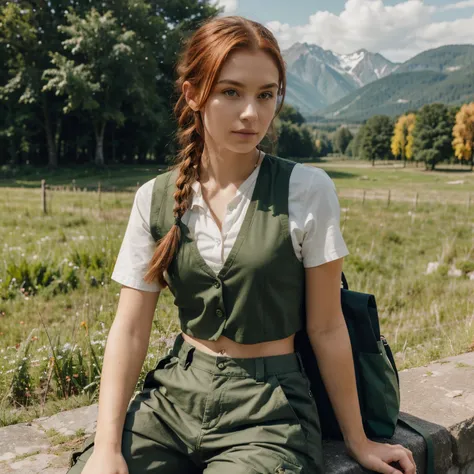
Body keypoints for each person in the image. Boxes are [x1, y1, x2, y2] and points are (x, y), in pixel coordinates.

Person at [68, 15, 416, 474]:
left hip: (269, 408)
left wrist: (358, 439)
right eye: (231, 92)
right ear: (194, 94)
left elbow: (328, 328)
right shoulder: (153, 199)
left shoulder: (307, 190)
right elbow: (130, 330)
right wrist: (107, 447)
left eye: (265, 95)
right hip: (174, 398)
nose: (251, 113)